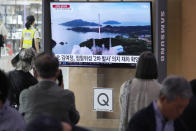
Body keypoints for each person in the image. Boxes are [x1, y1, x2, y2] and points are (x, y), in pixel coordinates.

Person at [19, 52, 80, 125]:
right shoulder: (67, 95)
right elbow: (74, 119)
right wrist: (61, 87)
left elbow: (20, 119)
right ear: (58, 72)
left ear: (35, 73)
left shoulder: (25, 94)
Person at [126, 75, 192, 131]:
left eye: (183, 108)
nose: (180, 112)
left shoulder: (179, 124)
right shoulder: (139, 121)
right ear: (163, 99)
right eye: (178, 107)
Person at [119, 51, 161, 131]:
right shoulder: (161, 89)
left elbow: (123, 109)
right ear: (155, 67)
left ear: (138, 66)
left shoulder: (126, 86)